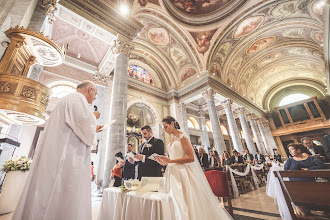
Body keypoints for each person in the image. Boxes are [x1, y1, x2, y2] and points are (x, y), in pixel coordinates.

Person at [12, 80, 103, 220]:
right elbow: (82, 120)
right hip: (67, 155)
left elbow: (76, 125)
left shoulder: (68, 99)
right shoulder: (77, 98)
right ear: (90, 90)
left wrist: (93, 127)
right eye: (95, 95)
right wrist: (94, 117)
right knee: (62, 192)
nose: (94, 98)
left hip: (62, 151)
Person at [155, 116, 232, 220]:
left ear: (172, 124)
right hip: (171, 172)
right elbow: (173, 157)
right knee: (173, 199)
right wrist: (165, 161)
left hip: (183, 172)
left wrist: (171, 161)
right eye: (163, 128)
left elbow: (191, 158)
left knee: (184, 201)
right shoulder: (171, 139)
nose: (165, 130)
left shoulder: (182, 136)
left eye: (166, 127)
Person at [284, 143, 325, 216]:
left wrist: (309, 169)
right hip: (296, 185)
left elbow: (322, 165)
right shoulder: (290, 160)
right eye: (289, 150)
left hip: (310, 184)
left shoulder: (310, 158)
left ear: (298, 150)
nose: (290, 152)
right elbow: (285, 171)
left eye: (292, 150)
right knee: (296, 195)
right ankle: (304, 214)